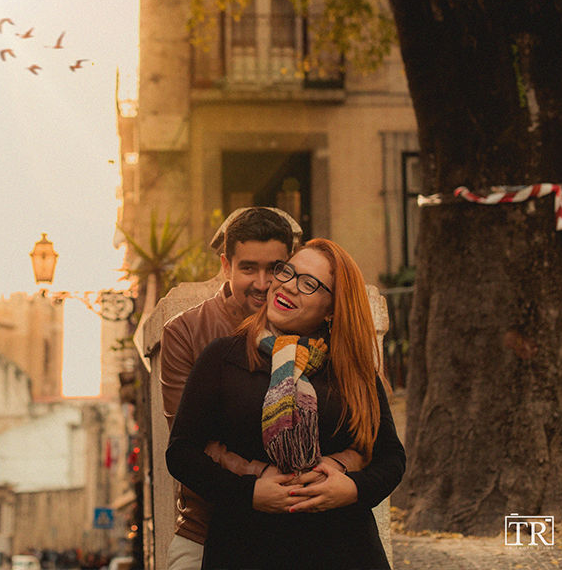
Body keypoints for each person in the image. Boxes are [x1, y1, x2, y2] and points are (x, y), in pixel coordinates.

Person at [166, 239, 406, 569]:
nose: (289, 286)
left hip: (344, 549)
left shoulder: (351, 369)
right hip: (244, 548)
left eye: (309, 284)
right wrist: (248, 492)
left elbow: (390, 456)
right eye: (288, 272)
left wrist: (352, 489)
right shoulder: (223, 357)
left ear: (332, 307)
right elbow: (181, 452)